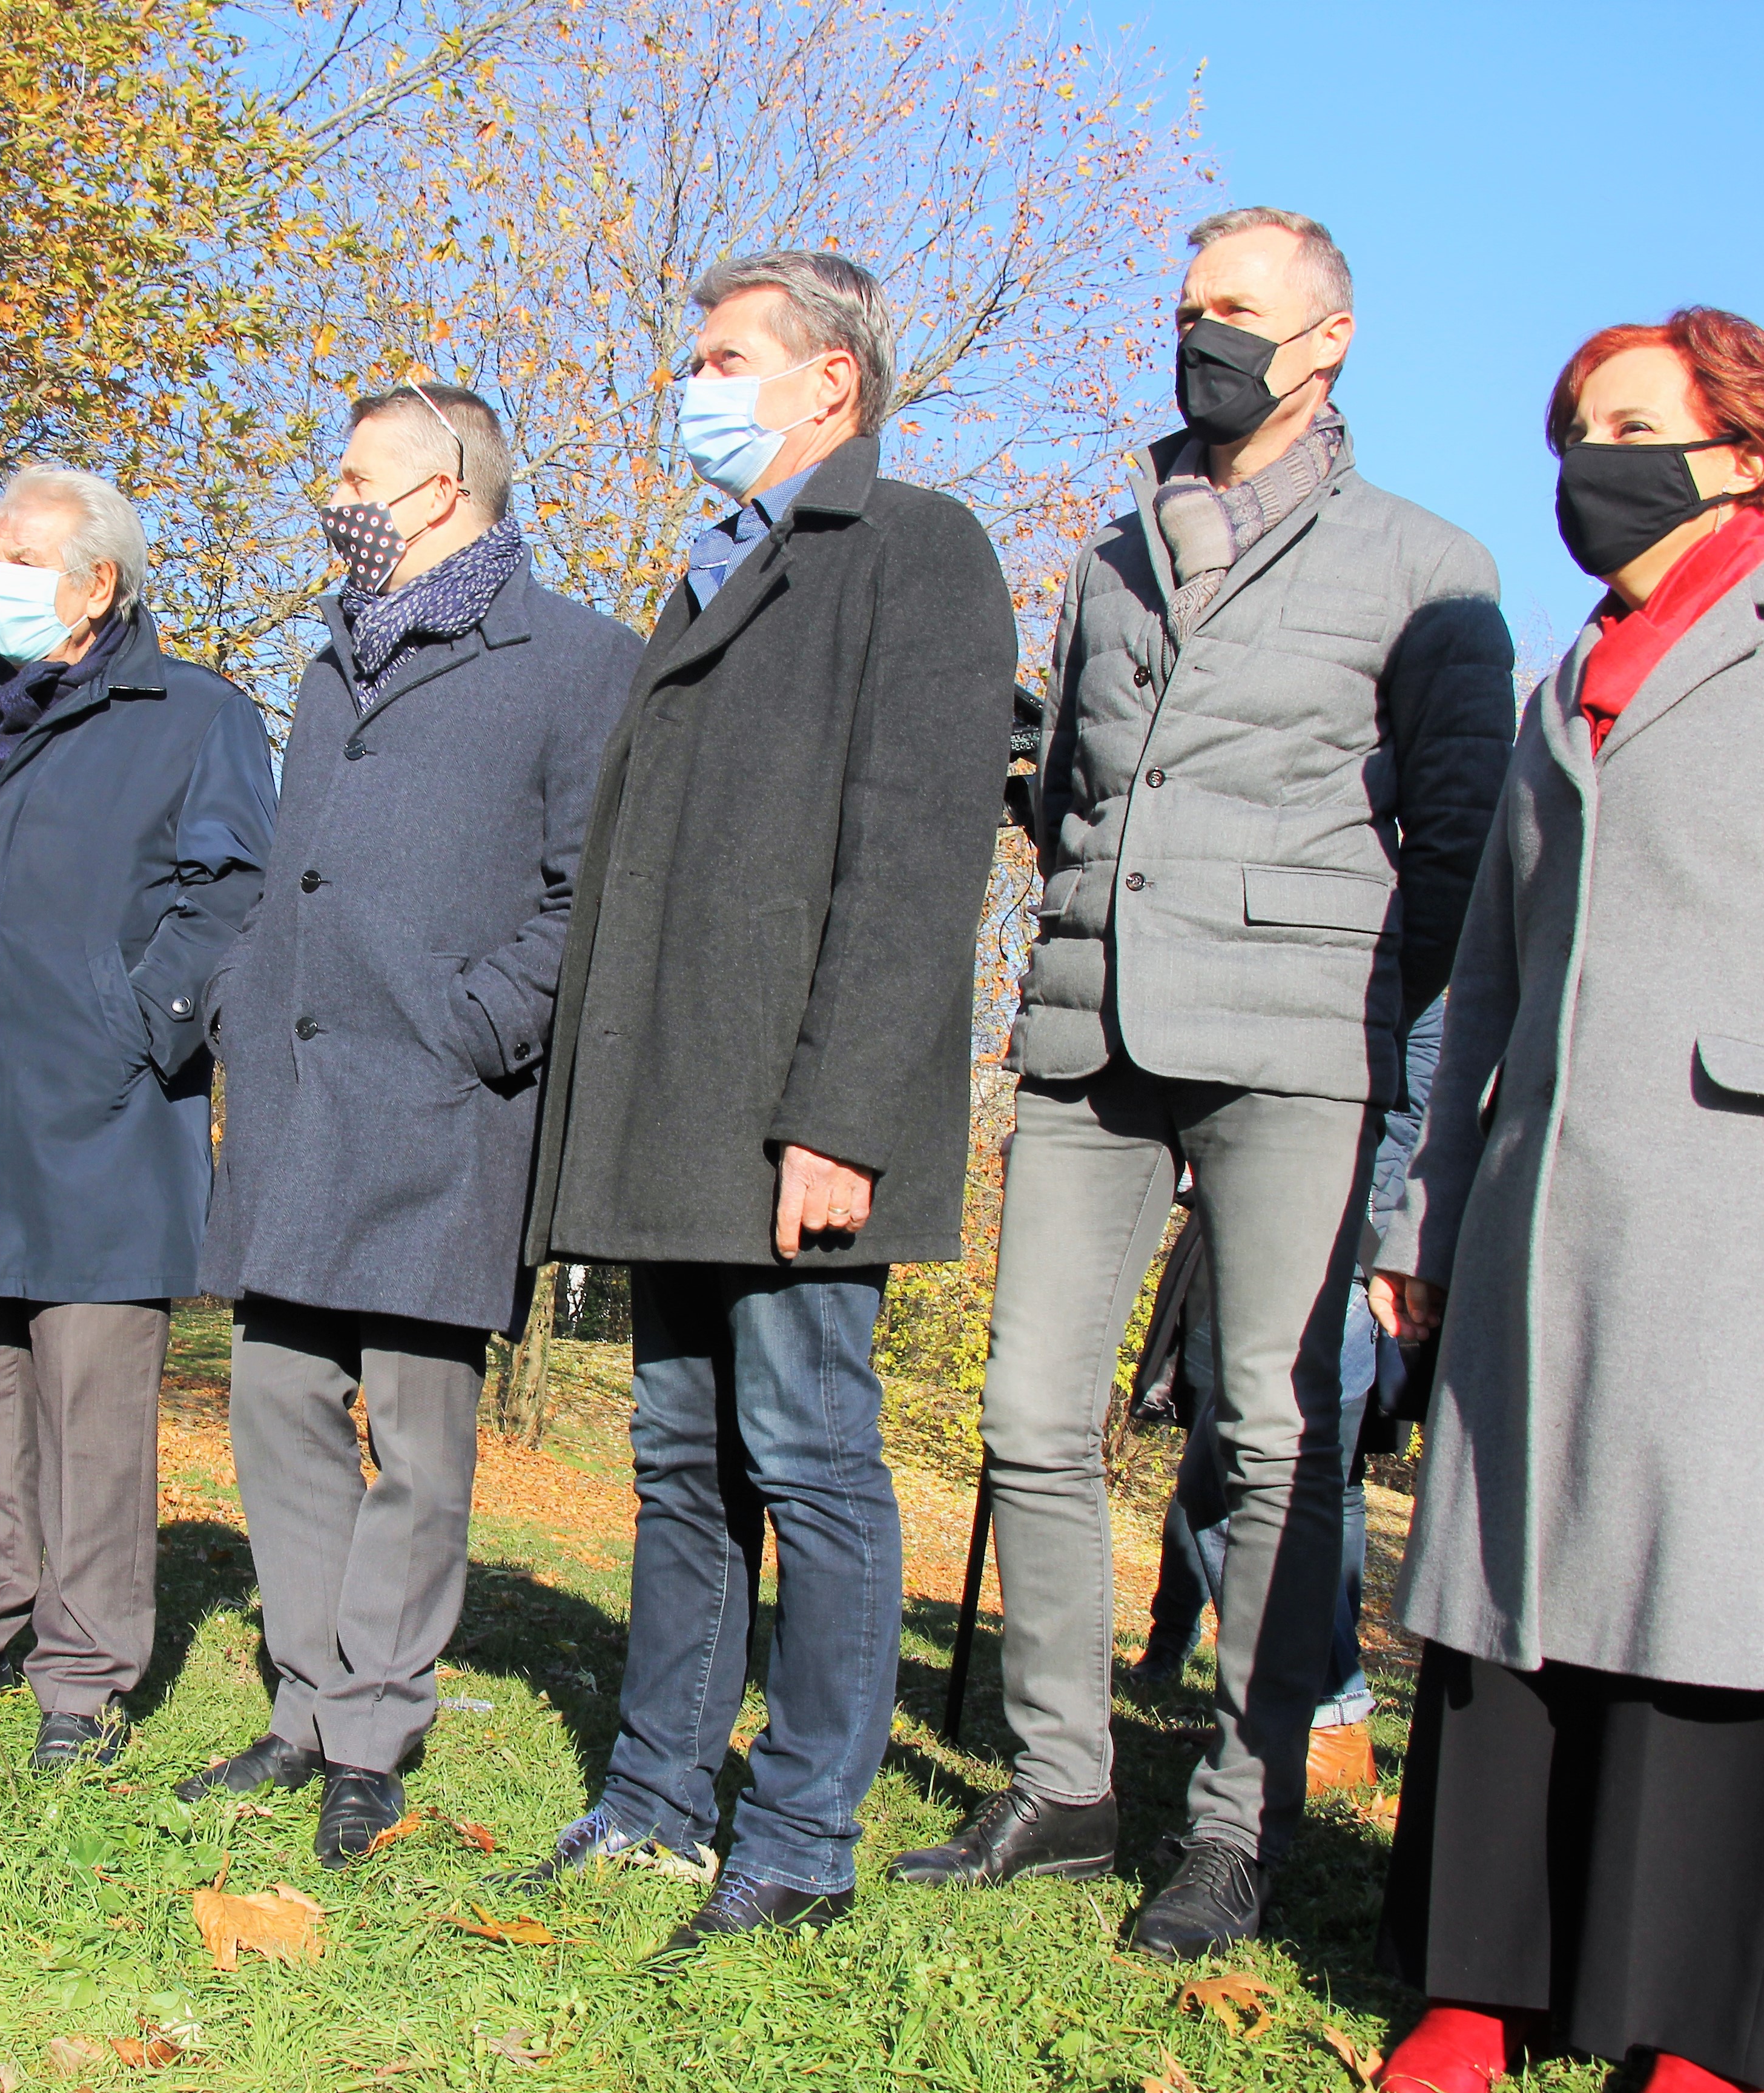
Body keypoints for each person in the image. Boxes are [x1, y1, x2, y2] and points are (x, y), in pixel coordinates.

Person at [1365, 310, 1764, 2093]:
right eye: (1568, 431)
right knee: (1513, 1612)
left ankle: (1693, 2038)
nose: (1585, 464)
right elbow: (1486, 983)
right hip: (1551, 1224)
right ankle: (1474, 1995)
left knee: (1733, 1622)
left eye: (1628, 425)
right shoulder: (1570, 677)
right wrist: (1429, 1215)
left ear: (1748, 448)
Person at [898, 207, 1516, 1959]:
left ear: (1326, 346)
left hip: (1301, 1043)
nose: (1203, 335)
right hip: (1092, 1035)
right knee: (1028, 1419)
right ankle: (1066, 1786)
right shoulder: (1105, 561)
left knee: (1266, 1436)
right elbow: (1076, 807)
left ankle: (1241, 1829)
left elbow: (1464, 849)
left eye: (1237, 312)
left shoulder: (1431, 566)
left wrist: (1383, 1052)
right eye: (1188, 309)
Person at [508, 250, 1018, 1949]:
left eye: (725, 357)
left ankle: (800, 1832)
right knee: (676, 1458)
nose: (695, 384)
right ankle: (657, 1796)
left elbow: (917, 858)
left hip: (797, 1110)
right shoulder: (716, 568)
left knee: (811, 1457)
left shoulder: (916, 548)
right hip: (678, 1106)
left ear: (829, 383)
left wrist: (845, 1115)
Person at [188, 385, 640, 1858]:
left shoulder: (578, 660)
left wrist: (477, 1026)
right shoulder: (331, 658)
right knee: (275, 1400)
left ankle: (373, 1726)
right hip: (301, 1085)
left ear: (443, 488)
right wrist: (244, 1001)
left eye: (354, 469)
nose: (331, 491)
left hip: (442, 1096)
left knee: (417, 1432)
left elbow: (589, 897)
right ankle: (305, 1702)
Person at [0, 465, 273, 1768]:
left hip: (100, 1112)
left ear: (99, 582)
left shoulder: (194, 713)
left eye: (22, 556)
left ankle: (83, 1673)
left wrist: (138, 1021)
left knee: (93, 1413)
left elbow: (234, 891)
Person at [1134, 994, 1443, 1796]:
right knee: (1301, 1486)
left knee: (1239, 1483)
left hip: (1340, 1247)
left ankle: (1325, 1714)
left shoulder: (1427, 971)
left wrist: (1375, 1243)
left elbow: (1411, 1120)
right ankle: (1312, 1718)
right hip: (1312, 1233)